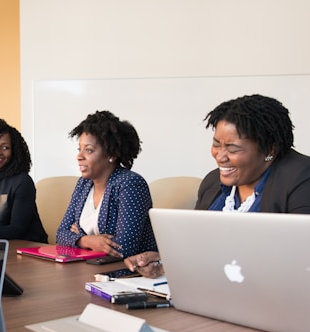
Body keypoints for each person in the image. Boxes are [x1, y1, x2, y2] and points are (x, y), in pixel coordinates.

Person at [125, 94, 310, 278]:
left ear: (270, 150)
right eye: (216, 144)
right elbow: (198, 249)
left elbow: (300, 259)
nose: (220, 156)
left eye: (232, 149)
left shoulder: (301, 179)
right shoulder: (213, 183)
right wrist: (165, 262)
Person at [56, 110, 157, 258]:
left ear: (111, 154)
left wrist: (78, 236)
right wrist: (88, 240)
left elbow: (123, 248)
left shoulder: (130, 184)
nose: (79, 156)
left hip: (129, 271)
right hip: (90, 267)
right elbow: (61, 234)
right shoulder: (83, 184)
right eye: (80, 149)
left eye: (89, 150)